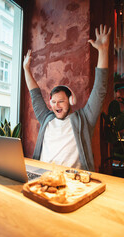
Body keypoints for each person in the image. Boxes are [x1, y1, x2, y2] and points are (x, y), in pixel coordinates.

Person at [23, 24, 111, 171]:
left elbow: (99, 90)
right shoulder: (46, 118)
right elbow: (35, 94)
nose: (56, 105)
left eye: (61, 101)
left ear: (71, 101)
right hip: (42, 176)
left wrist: (103, 51)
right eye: (54, 102)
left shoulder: (84, 119)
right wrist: (26, 69)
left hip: (72, 181)